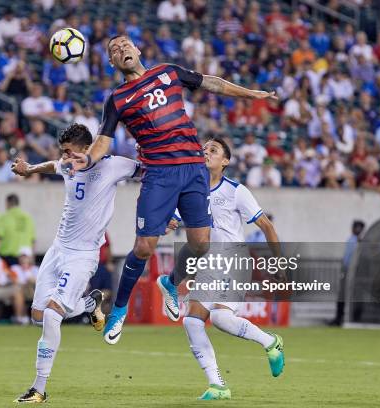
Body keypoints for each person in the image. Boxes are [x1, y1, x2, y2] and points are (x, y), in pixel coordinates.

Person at [65, 35, 277, 345]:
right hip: (159, 174)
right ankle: (119, 310)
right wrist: (87, 158)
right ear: (111, 63)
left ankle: (171, 282)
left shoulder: (168, 72)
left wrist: (250, 94)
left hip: (193, 169)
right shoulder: (119, 98)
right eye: (114, 49)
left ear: (138, 49)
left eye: (125, 44)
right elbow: (104, 141)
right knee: (143, 247)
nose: (121, 49)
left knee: (201, 244)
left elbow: (212, 83)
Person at [10, 123, 137, 403]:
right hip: (58, 250)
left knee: (54, 315)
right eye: (64, 152)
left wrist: (170, 210)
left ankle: (39, 389)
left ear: (86, 149)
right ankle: (90, 304)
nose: (65, 158)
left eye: (69, 152)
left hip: (83, 255)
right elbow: (53, 165)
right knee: (38, 316)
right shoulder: (68, 165)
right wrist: (30, 168)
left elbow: (150, 173)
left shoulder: (114, 165)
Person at [166, 136, 285, 400]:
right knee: (192, 320)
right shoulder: (191, 191)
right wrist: (168, 223)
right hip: (209, 263)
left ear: (225, 161)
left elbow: (266, 225)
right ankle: (217, 384)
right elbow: (173, 220)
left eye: (214, 150)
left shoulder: (235, 190)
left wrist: (278, 261)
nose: (206, 152)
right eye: (204, 149)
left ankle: (270, 342)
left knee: (219, 318)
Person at [329, 220, 365, 326]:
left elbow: (349, 259)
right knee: (343, 296)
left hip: (351, 272)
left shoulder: (356, 241)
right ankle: (340, 318)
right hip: (348, 271)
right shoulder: (353, 240)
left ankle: (343, 318)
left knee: (345, 296)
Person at [0, 194, 36, 265]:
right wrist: (32, 258)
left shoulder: (4, 217)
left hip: (8, 258)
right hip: (25, 258)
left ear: (8, 203)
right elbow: (33, 241)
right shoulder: (28, 218)